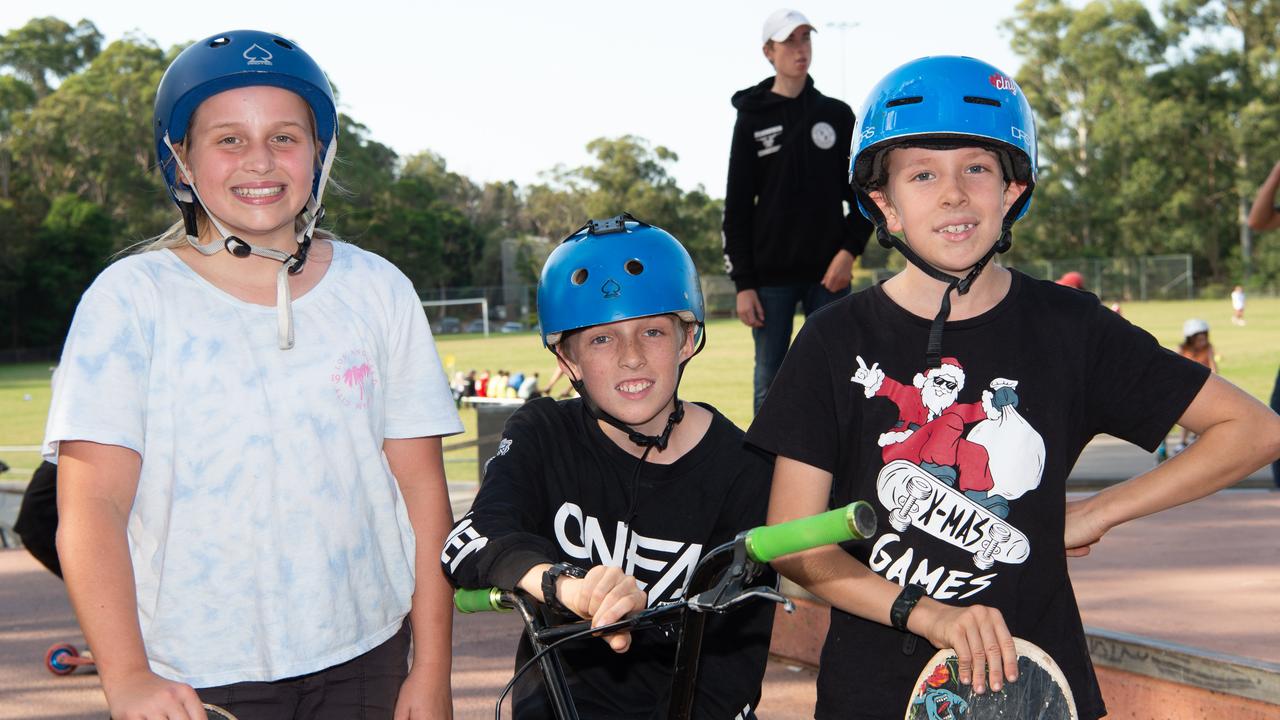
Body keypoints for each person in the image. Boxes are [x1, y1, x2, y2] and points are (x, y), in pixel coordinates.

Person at [745, 56, 1280, 720]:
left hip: (1038, 688)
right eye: (922, 174)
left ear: (1014, 189)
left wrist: (1096, 511)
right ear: (884, 203)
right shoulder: (832, 341)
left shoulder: (1069, 328)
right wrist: (926, 614)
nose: (953, 194)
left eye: (977, 168)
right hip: (874, 693)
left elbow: (1255, 430)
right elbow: (797, 544)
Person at [44, 30, 462, 720]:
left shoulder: (378, 290)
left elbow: (422, 497)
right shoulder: (128, 301)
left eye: (285, 137)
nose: (260, 160)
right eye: (229, 139)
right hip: (194, 671)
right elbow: (91, 509)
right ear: (181, 159)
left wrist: (434, 671)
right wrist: (126, 678)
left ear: (319, 154)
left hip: (366, 655)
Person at [442, 215, 776, 719]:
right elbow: (471, 540)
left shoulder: (742, 466)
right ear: (567, 359)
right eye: (601, 339)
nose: (632, 357)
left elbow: (734, 660)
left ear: (688, 340)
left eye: (653, 331)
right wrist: (565, 585)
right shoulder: (543, 434)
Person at [722, 8, 873, 415]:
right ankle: (764, 477)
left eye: (806, 39)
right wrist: (744, 283)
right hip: (770, 281)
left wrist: (848, 253)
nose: (800, 49)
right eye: (789, 41)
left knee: (841, 380)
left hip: (829, 275)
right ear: (769, 51)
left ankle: (840, 476)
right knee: (769, 387)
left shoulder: (836, 115)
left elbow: (863, 196)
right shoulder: (751, 118)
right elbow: (736, 206)